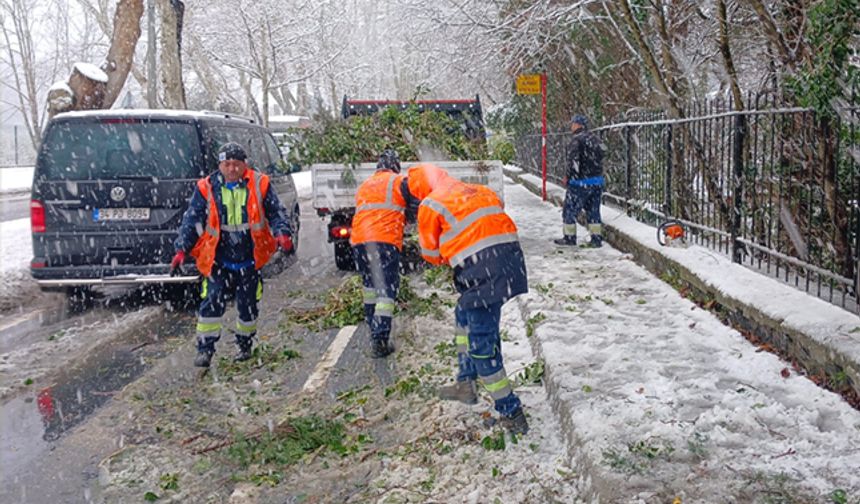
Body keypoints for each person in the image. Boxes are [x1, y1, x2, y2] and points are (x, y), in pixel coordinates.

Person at [406, 163, 529, 435]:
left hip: (482, 275)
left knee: (481, 346)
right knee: (464, 314)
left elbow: (430, 254)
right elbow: (490, 224)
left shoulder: (431, 204)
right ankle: (466, 383)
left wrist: (448, 250)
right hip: (508, 266)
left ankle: (511, 412)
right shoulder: (479, 190)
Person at [171, 142, 293, 367]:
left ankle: (244, 345)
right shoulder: (207, 187)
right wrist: (181, 249)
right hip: (219, 258)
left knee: (248, 306)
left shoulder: (259, 184)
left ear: (244, 164)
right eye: (227, 164)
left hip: (249, 257)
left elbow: (276, 212)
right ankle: (205, 350)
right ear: (220, 165)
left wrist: (282, 233)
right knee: (211, 302)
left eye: (236, 164)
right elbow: (192, 219)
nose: (232, 169)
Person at [351, 149, 412, 358]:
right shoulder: (399, 181)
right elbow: (414, 206)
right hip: (384, 241)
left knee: (370, 287)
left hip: (360, 242)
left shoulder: (365, 184)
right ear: (395, 166)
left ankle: (373, 326)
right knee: (386, 291)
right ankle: (380, 339)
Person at [555, 114, 605, 247]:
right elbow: (601, 157)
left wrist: (569, 176)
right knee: (593, 211)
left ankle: (569, 238)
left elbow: (573, 162)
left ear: (578, 125)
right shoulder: (596, 140)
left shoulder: (576, 141)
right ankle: (596, 238)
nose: (571, 126)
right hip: (596, 182)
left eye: (573, 123)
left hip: (580, 183)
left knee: (569, 210)